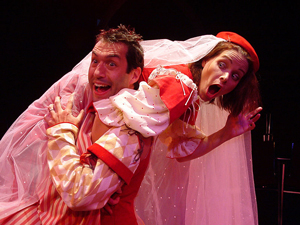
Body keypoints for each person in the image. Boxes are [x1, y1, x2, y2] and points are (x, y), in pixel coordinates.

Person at [0, 26, 261, 224]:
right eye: (222, 65)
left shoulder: (186, 97)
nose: (225, 77)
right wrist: (111, 175)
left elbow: (180, 148)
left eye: (235, 76)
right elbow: (132, 129)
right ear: (205, 60)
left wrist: (226, 133)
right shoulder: (182, 87)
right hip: (83, 118)